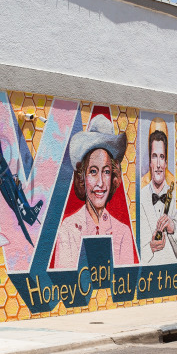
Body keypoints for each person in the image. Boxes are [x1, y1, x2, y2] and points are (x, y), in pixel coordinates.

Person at [53, 115, 135, 268]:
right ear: (82, 176)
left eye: (106, 172)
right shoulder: (68, 229)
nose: (100, 183)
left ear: (113, 176)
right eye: (93, 171)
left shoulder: (123, 233)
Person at [139, 124, 177, 264]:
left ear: (166, 162)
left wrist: (173, 228)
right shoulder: (140, 198)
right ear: (149, 162)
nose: (158, 164)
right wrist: (150, 248)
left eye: (162, 157)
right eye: (154, 157)